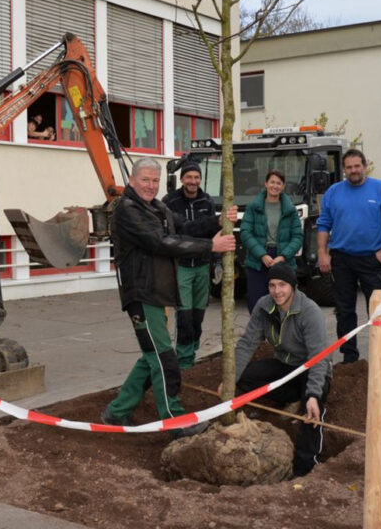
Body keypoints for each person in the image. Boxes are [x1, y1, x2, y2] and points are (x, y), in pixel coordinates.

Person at [102, 157, 236, 436]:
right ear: (132, 181)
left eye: (155, 181)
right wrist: (210, 246)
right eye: (145, 180)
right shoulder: (128, 210)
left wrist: (216, 221)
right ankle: (174, 419)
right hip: (141, 294)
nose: (151, 186)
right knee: (164, 359)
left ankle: (116, 412)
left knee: (150, 356)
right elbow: (160, 242)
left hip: (157, 293)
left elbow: (183, 229)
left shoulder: (155, 207)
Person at [222, 262, 332, 477]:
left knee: (311, 410)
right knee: (246, 376)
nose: (277, 291)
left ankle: (306, 467)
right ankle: (290, 399)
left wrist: (312, 394)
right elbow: (247, 344)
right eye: (272, 285)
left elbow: (319, 358)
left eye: (282, 285)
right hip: (285, 367)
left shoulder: (309, 312)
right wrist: (230, 380)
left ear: (293, 286)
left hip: (311, 368)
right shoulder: (264, 307)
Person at [317, 149, 381, 364]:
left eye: (357, 166)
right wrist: (322, 252)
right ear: (344, 169)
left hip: (372, 260)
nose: (353, 170)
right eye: (349, 167)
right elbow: (324, 223)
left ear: (365, 166)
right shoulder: (334, 192)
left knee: (378, 311)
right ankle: (349, 357)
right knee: (344, 310)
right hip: (342, 260)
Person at [163, 160, 237, 369]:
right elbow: (183, 230)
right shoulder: (170, 202)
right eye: (189, 177)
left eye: (196, 177)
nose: (193, 181)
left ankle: (192, 352)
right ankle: (184, 359)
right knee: (184, 314)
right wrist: (214, 222)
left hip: (202, 266)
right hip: (182, 266)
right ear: (182, 179)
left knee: (198, 314)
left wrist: (216, 263)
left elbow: (213, 236)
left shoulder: (207, 202)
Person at [240, 169, 303, 313]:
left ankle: (283, 334)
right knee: (256, 304)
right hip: (258, 260)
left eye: (278, 183)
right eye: (272, 182)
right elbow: (245, 233)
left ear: (283, 186)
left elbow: (298, 236)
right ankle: (260, 335)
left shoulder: (290, 210)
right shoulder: (253, 207)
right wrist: (262, 255)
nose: (275, 186)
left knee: (284, 303)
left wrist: (283, 256)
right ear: (266, 184)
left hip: (283, 259)